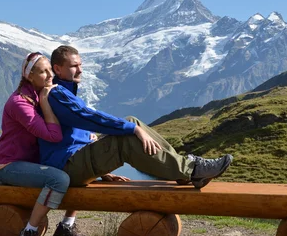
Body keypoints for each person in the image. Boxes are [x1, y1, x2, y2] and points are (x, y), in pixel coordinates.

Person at [39, 45, 233, 189]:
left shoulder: (65, 93)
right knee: (127, 137)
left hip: (73, 162)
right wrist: (133, 130)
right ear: (57, 69)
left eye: (80, 65)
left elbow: (79, 128)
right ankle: (192, 170)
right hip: (64, 168)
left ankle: (185, 170)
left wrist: (103, 170)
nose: (80, 70)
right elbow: (89, 117)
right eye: (74, 66)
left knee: (132, 121)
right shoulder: (57, 95)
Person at [0, 52, 87, 236]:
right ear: (30, 76)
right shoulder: (20, 103)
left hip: (32, 163)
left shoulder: (40, 93)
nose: (49, 75)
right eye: (43, 72)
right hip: (9, 166)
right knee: (59, 178)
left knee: (80, 169)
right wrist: (44, 100)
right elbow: (53, 135)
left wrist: (90, 136)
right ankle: (29, 234)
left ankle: (66, 227)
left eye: (49, 70)